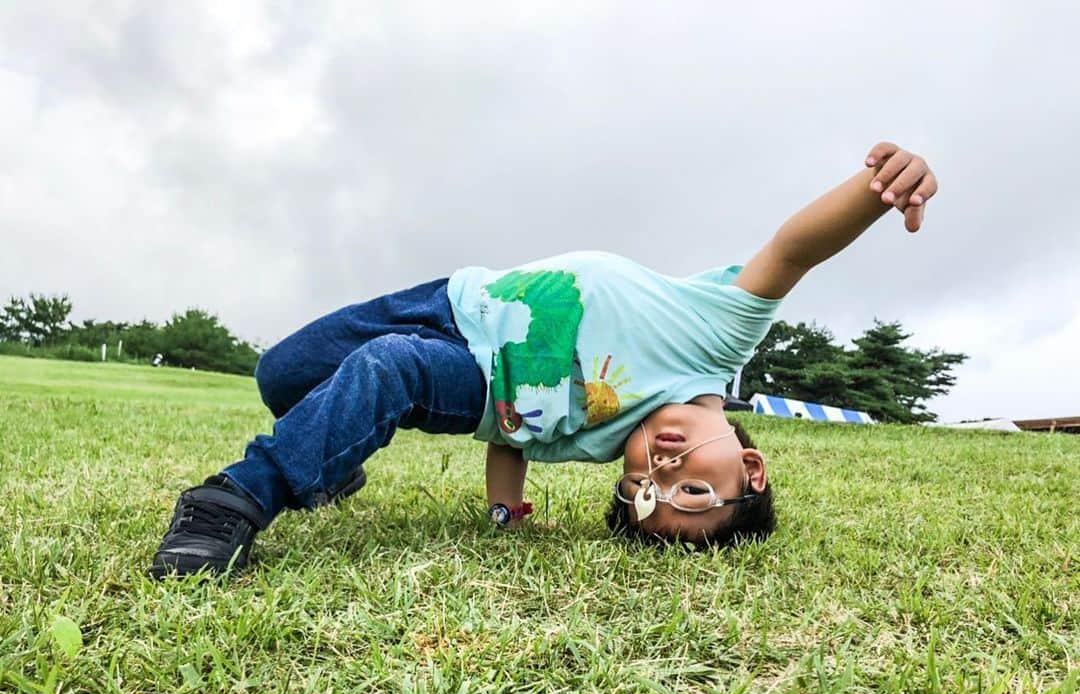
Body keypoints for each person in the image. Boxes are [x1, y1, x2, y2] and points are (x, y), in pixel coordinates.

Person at [150, 141, 938, 578]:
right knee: (280, 377)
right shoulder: (715, 341)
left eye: (641, 488)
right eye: (691, 486)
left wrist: (504, 514)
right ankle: (333, 454)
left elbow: (510, 438)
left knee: (390, 367)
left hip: (466, 379)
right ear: (752, 467)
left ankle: (236, 501)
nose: (658, 470)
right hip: (455, 298)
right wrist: (875, 191)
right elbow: (793, 250)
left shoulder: (592, 437)